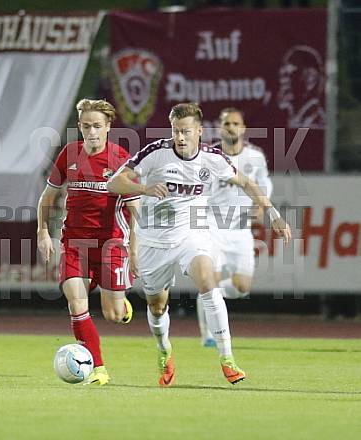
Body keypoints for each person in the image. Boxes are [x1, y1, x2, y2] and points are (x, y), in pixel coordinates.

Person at [107, 102, 291, 386]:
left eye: (186, 131)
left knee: (207, 279)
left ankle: (227, 358)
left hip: (191, 234)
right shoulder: (155, 153)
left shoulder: (212, 158)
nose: (180, 137)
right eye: (175, 131)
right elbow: (114, 183)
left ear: (199, 131)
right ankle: (164, 350)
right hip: (153, 241)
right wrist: (144, 188)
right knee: (157, 306)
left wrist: (274, 215)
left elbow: (247, 183)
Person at [37, 98, 139, 386]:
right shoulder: (69, 154)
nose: (91, 132)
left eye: (96, 126)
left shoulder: (120, 159)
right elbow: (48, 197)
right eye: (85, 126)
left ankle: (121, 305)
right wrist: (42, 231)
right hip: (74, 243)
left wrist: (134, 249)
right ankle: (98, 368)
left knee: (113, 315)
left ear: (108, 127)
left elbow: (135, 209)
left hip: (111, 244)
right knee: (76, 302)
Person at [197, 107, 273, 347]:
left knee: (242, 287)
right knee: (212, 278)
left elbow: (264, 184)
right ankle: (209, 334)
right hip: (213, 226)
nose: (231, 127)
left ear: (243, 128)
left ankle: (208, 298)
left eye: (235, 123)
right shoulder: (209, 156)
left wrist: (260, 206)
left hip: (241, 229)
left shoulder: (255, 157)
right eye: (226, 123)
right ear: (220, 128)